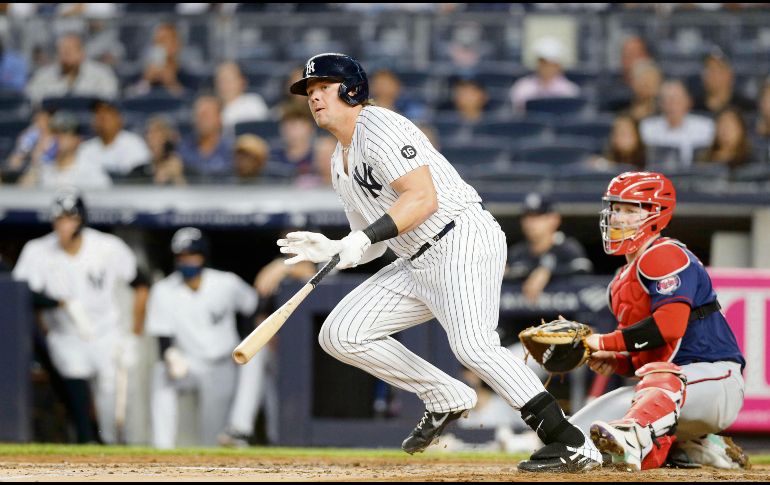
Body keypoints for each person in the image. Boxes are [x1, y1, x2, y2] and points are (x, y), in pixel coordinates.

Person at [279, 52, 602, 472]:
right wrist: (336, 246)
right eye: (310, 91)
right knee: (341, 334)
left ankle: (570, 441)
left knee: (473, 344)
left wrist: (363, 237)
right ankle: (444, 395)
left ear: (351, 89)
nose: (314, 97)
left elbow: (422, 198)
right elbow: (373, 242)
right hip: (414, 260)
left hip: (459, 236)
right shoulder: (337, 161)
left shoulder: (380, 126)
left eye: (323, 87)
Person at [566, 171, 747, 471]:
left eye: (629, 210)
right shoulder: (620, 282)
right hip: (667, 393)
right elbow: (646, 357)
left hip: (716, 380)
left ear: (656, 214)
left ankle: (641, 439)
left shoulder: (665, 254)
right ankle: (698, 448)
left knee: (661, 382)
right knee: (576, 439)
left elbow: (668, 327)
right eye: (615, 208)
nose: (618, 218)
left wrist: (603, 340)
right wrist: (618, 361)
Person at [11, 189, 149, 444]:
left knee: (113, 402)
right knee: (78, 396)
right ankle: (87, 445)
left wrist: (134, 334)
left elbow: (141, 283)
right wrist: (59, 304)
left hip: (106, 333)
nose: (64, 225)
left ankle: (122, 452)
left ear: (81, 220)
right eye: (59, 219)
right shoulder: (37, 250)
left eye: (70, 218)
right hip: (66, 334)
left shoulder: (106, 247)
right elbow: (22, 293)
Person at [146, 227, 259, 449]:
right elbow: (162, 337)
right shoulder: (164, 289)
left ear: (203, 256)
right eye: (182, 256)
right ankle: (162, 447)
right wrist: (170, 355)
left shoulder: (226, 283)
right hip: (189, 364)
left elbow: (252, 306)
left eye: (191, 255)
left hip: (221, 365)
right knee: (160, 374)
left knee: (211, 438)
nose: (187, 261)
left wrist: (244, 341)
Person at [506, 192, 593, 304]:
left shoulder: (568, 248)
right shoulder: (517, 252)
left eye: (538, 216)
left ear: (554, 219)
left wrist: (548, 272)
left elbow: (584, 270)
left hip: (563, 318)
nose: (531, 223)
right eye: (528, 217)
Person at [18, 110, 112, 189]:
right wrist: (36, 163)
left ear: (77, 140)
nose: (58, 137)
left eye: (64, 132)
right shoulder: (42, 170)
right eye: (54, 132)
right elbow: (22, 198)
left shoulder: (91, 172)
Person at [26, 32, 118, 104]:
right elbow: (32, 98)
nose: (65, 56)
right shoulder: (43, 75)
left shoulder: (102, 73)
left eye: (69, 51)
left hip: (91, 122)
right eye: (61, 52)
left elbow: (108, 99)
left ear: (82, 53)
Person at [639, 80, 715, 168]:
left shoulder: (706, 127)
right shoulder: (647, 128)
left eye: (676, 100)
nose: (672, 105)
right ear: (660, 104)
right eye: (666, 100)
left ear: (688, 101)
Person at [78, 99, 152, 178]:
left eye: (107, 113)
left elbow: (139, 176)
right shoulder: (85, 148)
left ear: (119, 119)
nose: (102, 118)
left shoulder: (133, 143)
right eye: (97, 114)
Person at [510, 37, 580, 114]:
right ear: (538, 64)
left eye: (552, 65)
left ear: (559, 66)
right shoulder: (522, 87)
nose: (547, 68)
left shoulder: (570, 90)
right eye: (544, 63)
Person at [179, 95, 234, 181]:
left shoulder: (232, 150)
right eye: (197, 115)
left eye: (206, 115)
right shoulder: (183, 148)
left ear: (219, 118)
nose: (200, 120)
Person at [126, 115, 186, 185]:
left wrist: (177, 177)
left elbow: (191, 193)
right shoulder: (137, 172)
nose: (152, 138)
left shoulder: (188, 172)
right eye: (149, 133)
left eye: (158, 133)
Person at [215, 61, 270, 137]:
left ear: (242, 82)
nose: (225, 85)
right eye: (221, 80)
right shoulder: (212, 108)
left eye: (229, 80)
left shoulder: (253, 103)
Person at [693, 49, 754, 116]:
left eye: (718, 69)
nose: (712, 74)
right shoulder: (693, 108)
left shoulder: (746, 108)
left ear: (730, 74)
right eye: (708, 69)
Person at [270, 103, 316, 179]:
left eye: (296, 125)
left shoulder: (318, 159)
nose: (291, 130)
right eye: (286, 125)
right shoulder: (273, 157)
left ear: (310, 128)